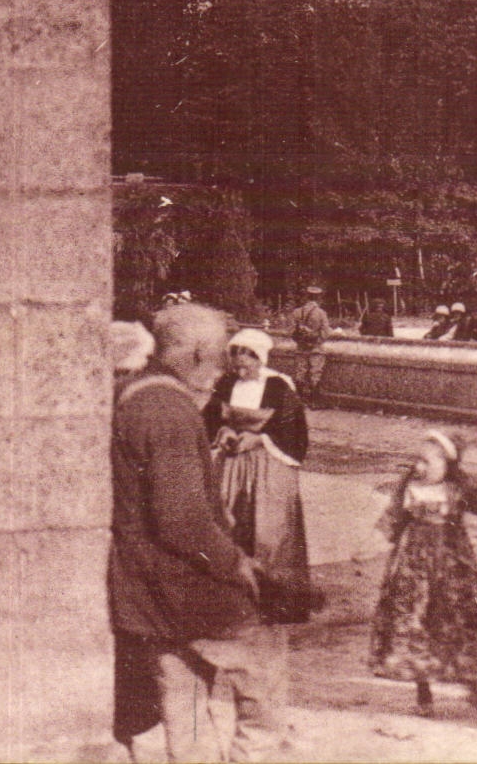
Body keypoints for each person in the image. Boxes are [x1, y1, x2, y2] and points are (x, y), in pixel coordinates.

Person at [109, 303, 288, 762]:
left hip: (145, 588)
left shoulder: (133, 392)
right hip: (186, 585)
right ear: (197, 354)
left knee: (182, 691)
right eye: (220, 357)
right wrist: (236, 564)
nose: (223, 370)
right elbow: (181, 519)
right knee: (263, 665)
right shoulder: (168, 410)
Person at [370, 430, 477, 717]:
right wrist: (370, 543)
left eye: (426, 461)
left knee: (462, 618)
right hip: (414, 565)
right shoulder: (410, 484)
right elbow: (393, 517)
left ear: (446, 464)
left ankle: (474, 685)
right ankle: (423, 695)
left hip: (453, 564)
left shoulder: (459, 486)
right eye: (417, 460)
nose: (419, 467)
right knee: (417, 621)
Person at [205, 328, 321, 625]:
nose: (241, 366)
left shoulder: (279, 386)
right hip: (233, 463)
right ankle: (234, 601)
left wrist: (260, 439)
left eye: (248, 359)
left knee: (270, 529)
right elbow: (211, 418)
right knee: (228, 520)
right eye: (236, 358)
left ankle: (277, 601)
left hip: (270, 463)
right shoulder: (226, 383)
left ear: (260, 358)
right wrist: (224, 431)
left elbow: (294, 431)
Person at [286, 285, 331, 403]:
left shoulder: (296, 312)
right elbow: (325, 333)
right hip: (316, 349)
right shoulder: (321, 313)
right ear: (319, 298)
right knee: (315, 373)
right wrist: (315, 342)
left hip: (301, 348)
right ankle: (314, 401)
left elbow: (290, 332)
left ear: (307, 296)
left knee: (300, 373)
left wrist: (301, 341)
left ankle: (299, 400)